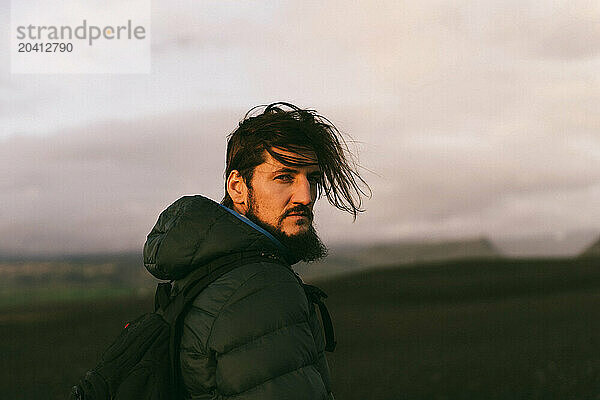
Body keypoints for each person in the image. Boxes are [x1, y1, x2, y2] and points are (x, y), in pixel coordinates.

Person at [143, 102, 369, 400]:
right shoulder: (261, 288)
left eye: (312, 178)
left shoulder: (211, 268)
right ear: (238, 187)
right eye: (284, 177)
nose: (306, 196)